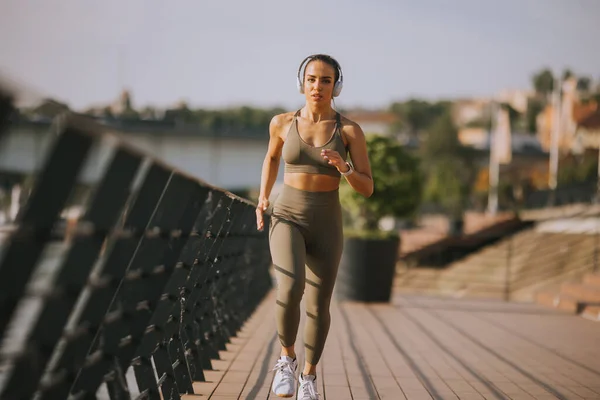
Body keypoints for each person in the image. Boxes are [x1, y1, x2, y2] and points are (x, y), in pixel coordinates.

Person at [255, 54, 373, 399]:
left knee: (319, 306)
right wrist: (263, 197)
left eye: (325, 80)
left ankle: (309, 376)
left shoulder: (349, 131)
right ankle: (287, 359)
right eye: (311, 79)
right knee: (289, 289)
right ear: (301, 83)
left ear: (336, 86)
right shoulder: (281, 122)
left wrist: (345, 168)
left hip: (327, 221)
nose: (317, 86)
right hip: (287, 215)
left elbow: (367, 187)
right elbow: (272, 157)